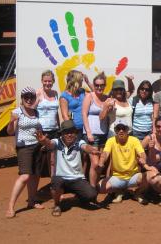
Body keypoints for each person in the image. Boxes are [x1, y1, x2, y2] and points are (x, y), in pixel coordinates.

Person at [36, 120, 100, 216]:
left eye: (72, 132)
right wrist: (43, 141)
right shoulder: (57, 142)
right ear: (61, 134)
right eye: (66, 132)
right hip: (61, 178)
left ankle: (78, 197)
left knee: (91, 194)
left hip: (77, 179)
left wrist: (92, 150)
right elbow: (49, 144)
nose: (69, 135)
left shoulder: (79, 142)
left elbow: (85, 147)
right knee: (56, 182)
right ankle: (57, 205)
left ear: (75, 133)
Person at [6, 87, 44, 218]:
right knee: (25, 176)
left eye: (31, 97)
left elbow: (38, 128)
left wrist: (42, 139)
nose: (29, 100)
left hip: (37, 146)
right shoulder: (17, 112)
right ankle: (11, 206)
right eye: (26, 97)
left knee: (35, 175)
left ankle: (32, 201)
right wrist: (11, 122)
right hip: (24, 148)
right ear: (22, 99)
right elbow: (10, 132)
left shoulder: (36, 112)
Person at [97, 121, 155, 205]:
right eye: (118, 129)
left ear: (127, 130)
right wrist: (101, 161)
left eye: (123, 128)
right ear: (115, 131)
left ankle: (137, 193)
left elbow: (142, 153)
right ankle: (119, 191)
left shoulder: (134, 140)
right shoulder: (111, 141)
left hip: (133, 176)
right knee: (100, 188)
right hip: (117, 176)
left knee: (151, 176)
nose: (121, 131)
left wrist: (143, 159)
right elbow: (105, 153)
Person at [82, 72, 109, 187]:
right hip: (92, 135)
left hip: (104, 134)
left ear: (104, 86)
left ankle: (95, 187)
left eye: (101, 85)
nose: (99, 87)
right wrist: (88, 132)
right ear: (94, 85)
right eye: (97, 85)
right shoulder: (89, 96)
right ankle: (92, 190)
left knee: (100, 165)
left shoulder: (106, 98)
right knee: (94, 163)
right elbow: (84, 113)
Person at [35, 70, 59, 176]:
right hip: (42, 131)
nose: (47, 83)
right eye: (45, 81)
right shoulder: (38, 93)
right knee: (39, 160)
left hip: (54, 130)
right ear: (42, 81)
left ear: (53, 81)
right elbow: (32, 110)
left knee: (53, 159)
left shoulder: (55, 93)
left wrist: (59, 127)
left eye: (50, 81)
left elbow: (56, 113)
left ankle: (53, 184)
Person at [60, 70, 89, 137]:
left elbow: (96, 94)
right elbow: (65, 116)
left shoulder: (82, 91)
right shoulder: (64, 96)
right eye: (81, 80)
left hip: (86, 128)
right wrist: (72, 130)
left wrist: (88, 82)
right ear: (76, 81)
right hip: (75, 130)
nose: (82, 81)